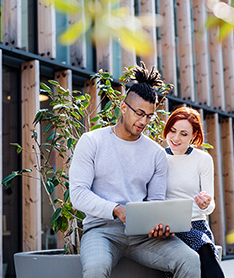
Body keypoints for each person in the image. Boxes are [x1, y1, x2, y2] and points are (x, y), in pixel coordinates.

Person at [69, 63, 200, 278]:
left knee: (190, 260)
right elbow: (78, 194)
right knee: (95, 269)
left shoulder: (156, 153)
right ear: (123, 107)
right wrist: (116, 209)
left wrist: (159, 225)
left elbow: (156, 201)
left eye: (149, 116)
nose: (143, 121)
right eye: (139, 113)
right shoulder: (92, 141)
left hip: (143, 235)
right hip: (101, 232)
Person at [163, 107, 225, 278]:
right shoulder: (158, 157)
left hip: (197, 225)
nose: (175, 138)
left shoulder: (203, 159)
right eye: (172, 130)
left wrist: (205, 203)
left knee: (203, 245)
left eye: (184, 134)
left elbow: (210, 206)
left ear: (194, 135)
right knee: (202, 249)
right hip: (170, 228)